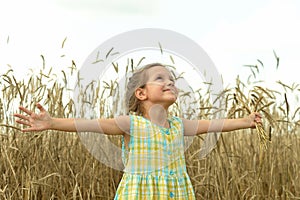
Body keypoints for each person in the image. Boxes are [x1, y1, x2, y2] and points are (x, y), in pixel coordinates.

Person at [14, 63, 262, 199]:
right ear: (141, 93)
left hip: (175, 193)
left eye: (172, 79)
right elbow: (88, 125)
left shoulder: (177, 125)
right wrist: (51, 122)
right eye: (160, 78)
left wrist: (246, 121)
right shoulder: (132, 124)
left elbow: (212, 126)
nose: (170, 82)